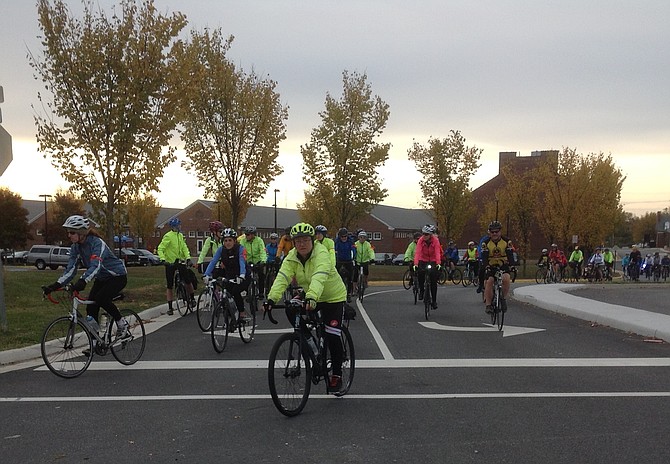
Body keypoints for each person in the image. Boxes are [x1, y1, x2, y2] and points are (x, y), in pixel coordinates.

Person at [264, 222, 348, 393]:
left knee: (332, 335)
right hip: (311, 293)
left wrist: (311, 297)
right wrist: (271, 299)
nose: (301, 244)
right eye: (298, 241)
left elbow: (319, 276)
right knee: (291, 308)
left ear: (313, 240)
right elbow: (283, 276)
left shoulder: (321, 253)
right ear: (293, 243)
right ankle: (310, 343)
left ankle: (337, 374)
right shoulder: (292, 256)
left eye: (305, 240)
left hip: (332, 296)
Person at [42, 215, 129, 346]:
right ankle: (95, 342)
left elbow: (96, 266)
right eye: (68, 233)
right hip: (101, 278)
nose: (69, 236)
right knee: (91, 308)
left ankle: (122, 324)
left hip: (117, 276)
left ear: (82, 233)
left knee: (101, 298)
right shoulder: (76, 247)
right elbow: (70, 270)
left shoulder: (98, 244)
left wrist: (83, 281)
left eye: (72, 232)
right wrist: (55, 285)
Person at [204, 227, 250, 322]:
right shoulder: (221, 250)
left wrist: (242, 275)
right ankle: (230, 317)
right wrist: (206, 274)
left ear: (234, 241)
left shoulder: (240, 249)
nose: (227, 243)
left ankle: (242, 313)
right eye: (225, 240)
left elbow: (242, 262)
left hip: (242, 275)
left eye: (230, 240)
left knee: (236, 291)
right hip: (230, 275)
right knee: (226, 293)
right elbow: (213, 262)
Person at [157, 217, 196, 315]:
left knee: (188, 280)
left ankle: (192, 298)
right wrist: (163, 259)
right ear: (174, 227)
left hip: (180, 261)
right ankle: (170, 308)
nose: (180, 227)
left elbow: (184, 248)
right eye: (178, 225)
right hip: (170, 263)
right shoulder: (168, 236)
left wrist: (188, 258)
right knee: (170, 285)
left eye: (180, 225)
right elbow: (161, 248)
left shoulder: (180, 236)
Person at [480, 221, 514, 314]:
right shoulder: (485, 243)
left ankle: (502, 298)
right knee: (489, 281)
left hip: (502, 264)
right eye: (492, 232)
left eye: (497, 231)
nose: (494, 234)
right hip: (490, 265)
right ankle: (488, 305)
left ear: (500, 231)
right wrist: (486, 266)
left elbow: (510, 255)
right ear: (489, 233)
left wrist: (512, 265)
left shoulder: (507, 242)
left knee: (506, 279)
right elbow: (484, 256)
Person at [413, 224, 441, 309]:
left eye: (426, 234)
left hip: (433, 260)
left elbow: (437, 252)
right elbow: (417, 252)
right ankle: (421, 290)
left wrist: (438, 263)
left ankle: (434, 301)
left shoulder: (435, 240)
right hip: (423, 259)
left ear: (430, 235)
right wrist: (416, 264)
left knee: (433, 281)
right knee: (420, 273)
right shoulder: (421, 241)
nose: (424, 236)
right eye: (423, 234)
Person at [239, 226, 267, 298]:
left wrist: (263, 261)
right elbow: (242, 252)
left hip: (257, 261)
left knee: (261, 275)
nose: (246, 236)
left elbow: (262, 251)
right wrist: (243, 261)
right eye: (246, 234)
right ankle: (246, 292)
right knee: (245, 276)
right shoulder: (243, 241)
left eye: (248, 235)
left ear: (253, 235)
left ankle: (261, 292)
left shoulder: (259, 240)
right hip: (248, 261)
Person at [334, 227, 357, 299]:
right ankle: (337, 291)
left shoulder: (350, 241)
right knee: (336, 275)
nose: (344, 238)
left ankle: (349, 293)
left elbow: (353, 248)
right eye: (342, 237)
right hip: (340, 260)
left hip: (348, 260)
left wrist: (353, 255)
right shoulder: (337, 241)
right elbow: (334, 249)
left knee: (350, 277)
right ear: (339, 236)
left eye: (345, 236)